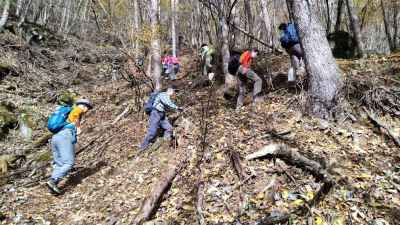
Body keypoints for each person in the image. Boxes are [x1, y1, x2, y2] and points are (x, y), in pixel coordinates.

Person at [46, 99, 93, 195]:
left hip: (55, 138)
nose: (87, 110)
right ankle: (53, 181)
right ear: (84, 106)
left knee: (60, 164)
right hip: (65, 136)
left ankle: (53, 186)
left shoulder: (66, 111)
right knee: (69, 163)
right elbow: (75, 114)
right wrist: (78, 127)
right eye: (87, 107)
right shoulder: (77, 109)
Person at [139, 86, 182, 151]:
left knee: (169, 128)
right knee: (152, 132)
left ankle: (165, 141)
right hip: (155, 114)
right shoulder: (163, 95)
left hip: (162, 115)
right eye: (174, 92)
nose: (175, 94)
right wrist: (177, 108)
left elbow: (168, 107)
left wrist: (177, 111)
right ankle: (142, 147)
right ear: (170, 91)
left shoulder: (167, 97)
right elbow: (167, 103)